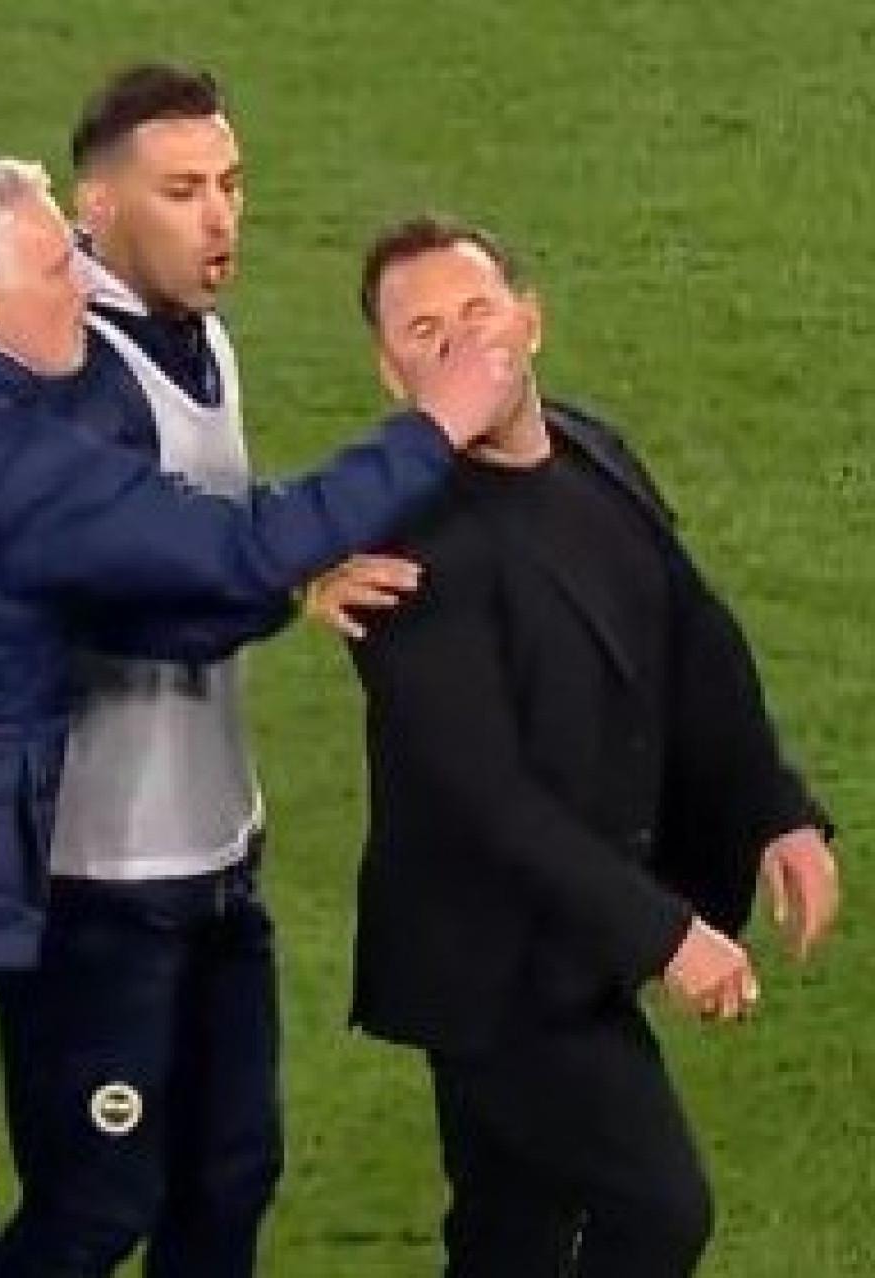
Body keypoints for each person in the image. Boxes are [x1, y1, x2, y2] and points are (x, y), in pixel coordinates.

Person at [0, 168, 524, 1278]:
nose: (81, 288)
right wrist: (436, 425)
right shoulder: (13, 462)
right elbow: (247, 548)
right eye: (54, 269)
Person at [340, 215, 839, 1277]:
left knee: (508, 1231)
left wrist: (776, 810)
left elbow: (693, 639)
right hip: (493, 972)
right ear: (393, 375)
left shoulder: (588, 447)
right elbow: (488, 799)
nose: (460, 343)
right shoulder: (405, 546)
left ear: (531, 320)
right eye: (424, 333)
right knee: (657, 1209)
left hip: (566, 938)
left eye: (477, 311)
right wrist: (666, 936)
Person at [0, 64, 420, 1278]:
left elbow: (209, 525)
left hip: (218, 854)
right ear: (96, 205)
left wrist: (280, 559)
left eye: (231, 183)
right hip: (96, 882)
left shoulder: (198, 334)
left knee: (230, 1178)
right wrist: (284, 581)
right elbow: (123, 602)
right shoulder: (67, 372)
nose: (221, 216)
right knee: (93, 1209)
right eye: (182, 191)